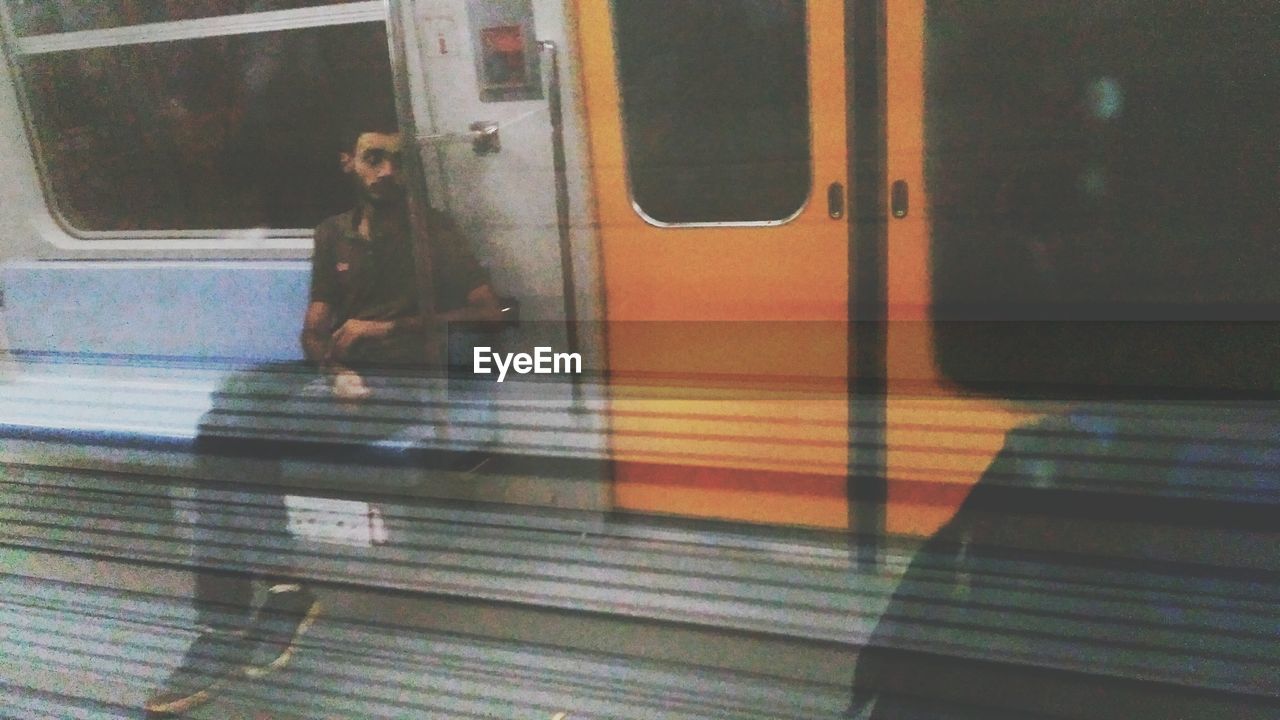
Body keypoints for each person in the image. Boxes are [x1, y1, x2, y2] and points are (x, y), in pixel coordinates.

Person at [145, 119, 501, 715]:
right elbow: (314, 325)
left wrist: (385, 328)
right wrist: (332, 367)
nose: (387, 171)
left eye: (398, 161)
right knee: (229, 408)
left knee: (236, 440)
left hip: (401, 377)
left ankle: (231, 622)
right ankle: (272, 594)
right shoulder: (333, 234)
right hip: (339, 376)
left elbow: (491, 313)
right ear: (350, 164)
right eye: (375, 158)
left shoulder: (433, 232)